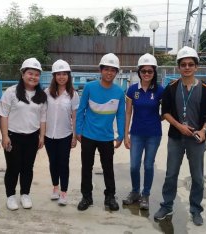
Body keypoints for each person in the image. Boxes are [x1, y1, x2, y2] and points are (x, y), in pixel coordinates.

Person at [153, 46, 206, 226]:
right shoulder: (171, 88)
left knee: (197, 176)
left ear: (196, 67)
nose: (187, 67)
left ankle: (196, 209)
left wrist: (203, 130)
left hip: (196, 140)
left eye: (190, 64)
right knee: (171, 174)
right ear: (178, 67)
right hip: (176, 138)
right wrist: (179, 126)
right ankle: (167, 205)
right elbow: (165, 112)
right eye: (183, 64)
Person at [76, 53, 125, 211]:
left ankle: (110, 197)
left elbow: (121, 114)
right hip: (88, 136)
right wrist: (78, 130)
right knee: (86, 167)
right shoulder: (90, 88)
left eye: (113, 70)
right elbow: (81, 110)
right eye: (106, 69)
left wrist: (121, 134)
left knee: (108, 168)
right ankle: (86, 197)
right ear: (101, 70)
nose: (109, 73)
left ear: (116, 72)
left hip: (106, 137)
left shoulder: (119, 92)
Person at [0, 58, 47, 210]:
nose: (33, 77)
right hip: (13, 137)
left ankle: (25, 194)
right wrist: (4, 136)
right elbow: (3, 115)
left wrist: (41, 136)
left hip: (32, 137)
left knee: (28, 167)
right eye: (30, 73)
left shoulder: (41, 95)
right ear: (23, 74)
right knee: (13, 167)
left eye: (37, 74)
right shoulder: (11, 92)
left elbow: (43, 118)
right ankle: (11, 196)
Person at [122, 53, 164, 210]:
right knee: (134, 166)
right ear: (139, 72)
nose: (146, 74)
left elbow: (167, 112)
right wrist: (126, 135)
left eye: (150, 71)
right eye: (143, 71)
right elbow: (128, 113)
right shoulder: (132, 90)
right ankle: (135, 192)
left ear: (154, 72)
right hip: (137, 134)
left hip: (153, 134)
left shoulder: (160, 90)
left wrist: (156, 119)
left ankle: (145, 194)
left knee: (148, 166)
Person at [44, 59, 79, 206]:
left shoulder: (72, 94)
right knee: (53, 162)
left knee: (64, 163)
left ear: (68, 76)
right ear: (54, 76)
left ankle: (64, 193)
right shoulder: (47, 93)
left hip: (65, 135)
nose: (61, 76)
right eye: (58, 74)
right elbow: (42, 114)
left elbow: (75, 116)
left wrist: (74, 135)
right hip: (49, 135)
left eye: (64, 74)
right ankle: (55, 188)